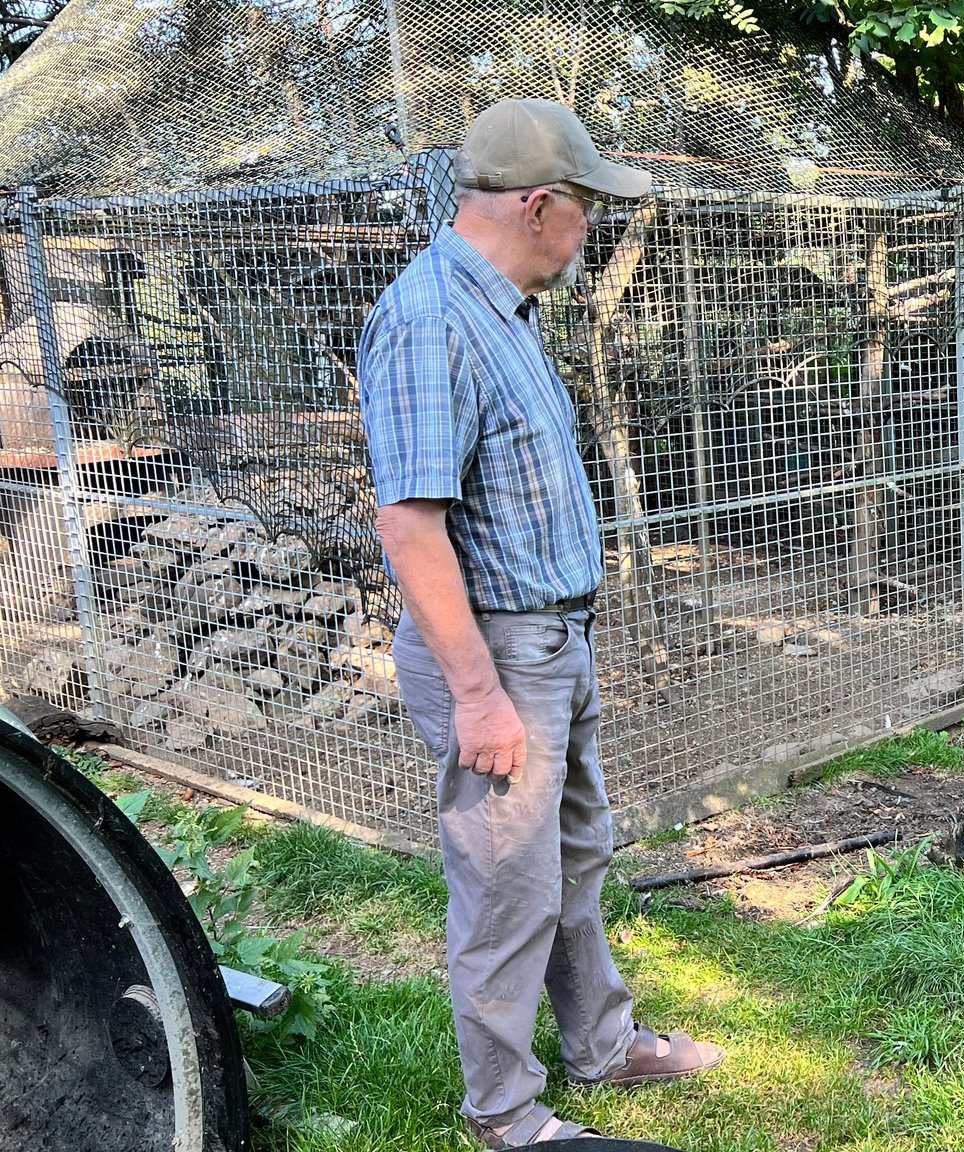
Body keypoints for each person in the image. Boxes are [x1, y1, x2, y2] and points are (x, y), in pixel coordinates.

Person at [357, 98, 724, 1148]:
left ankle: (603, 1045)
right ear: (537, 206)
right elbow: (411, 525)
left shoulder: (503, 309)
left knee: (572, 853)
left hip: (551, 638)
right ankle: (506, 1118)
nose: (592, 233)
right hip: (500, 653)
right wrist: (478, 694)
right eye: (586, 211)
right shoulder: (432, 318)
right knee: (506, 890)